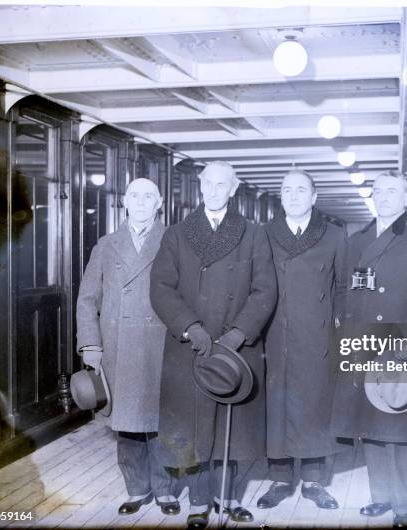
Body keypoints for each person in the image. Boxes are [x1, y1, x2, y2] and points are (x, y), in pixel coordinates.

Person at [149, 161, 277, 529]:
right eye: (209, 184)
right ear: (199, 188)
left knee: (233, 429)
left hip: (236, 348)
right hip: (190, 345)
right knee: (194, 428)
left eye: (223, 184)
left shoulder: (253, 234)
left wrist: (239, 332)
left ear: (233, 189)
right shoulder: (176, 234)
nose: (214, 190)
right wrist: (190, 326)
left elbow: (265, 289)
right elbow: (161, 288)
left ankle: (230, 496)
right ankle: (200, 501)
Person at [331, 171, 407, 528]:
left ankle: (405, 504)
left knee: (399, 428)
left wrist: (404, 342)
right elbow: (343, 288)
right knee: (370, 425)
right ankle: (381, 496)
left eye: (392, 192)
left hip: (400, 348)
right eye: (378, 191)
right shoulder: (357, 239)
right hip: (363, 344)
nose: (384, 198)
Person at [76, 178, 179, 516]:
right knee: (127, 424)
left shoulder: (174, 241)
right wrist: (90, 344)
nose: (141, 202)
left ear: (159, 202)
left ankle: (166, 490)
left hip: (162, 343)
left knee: (163, 421)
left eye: (148, 196)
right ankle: (137, 489)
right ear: (124, 201)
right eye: (134, 195)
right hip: (119, 346)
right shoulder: (106, 246)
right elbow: (87, 300)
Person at [257, 170, 347, 510]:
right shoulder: (264, 234)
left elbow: (342, 286)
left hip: (318, 335)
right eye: (286, 190)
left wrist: (336, 325)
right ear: (280, 197)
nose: (293, 196)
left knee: (314, 407)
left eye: (300, 190)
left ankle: (314, 482)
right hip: (275, 333)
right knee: (276, 407)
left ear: (314, 197)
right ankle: (279, 480)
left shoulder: (335, 236)